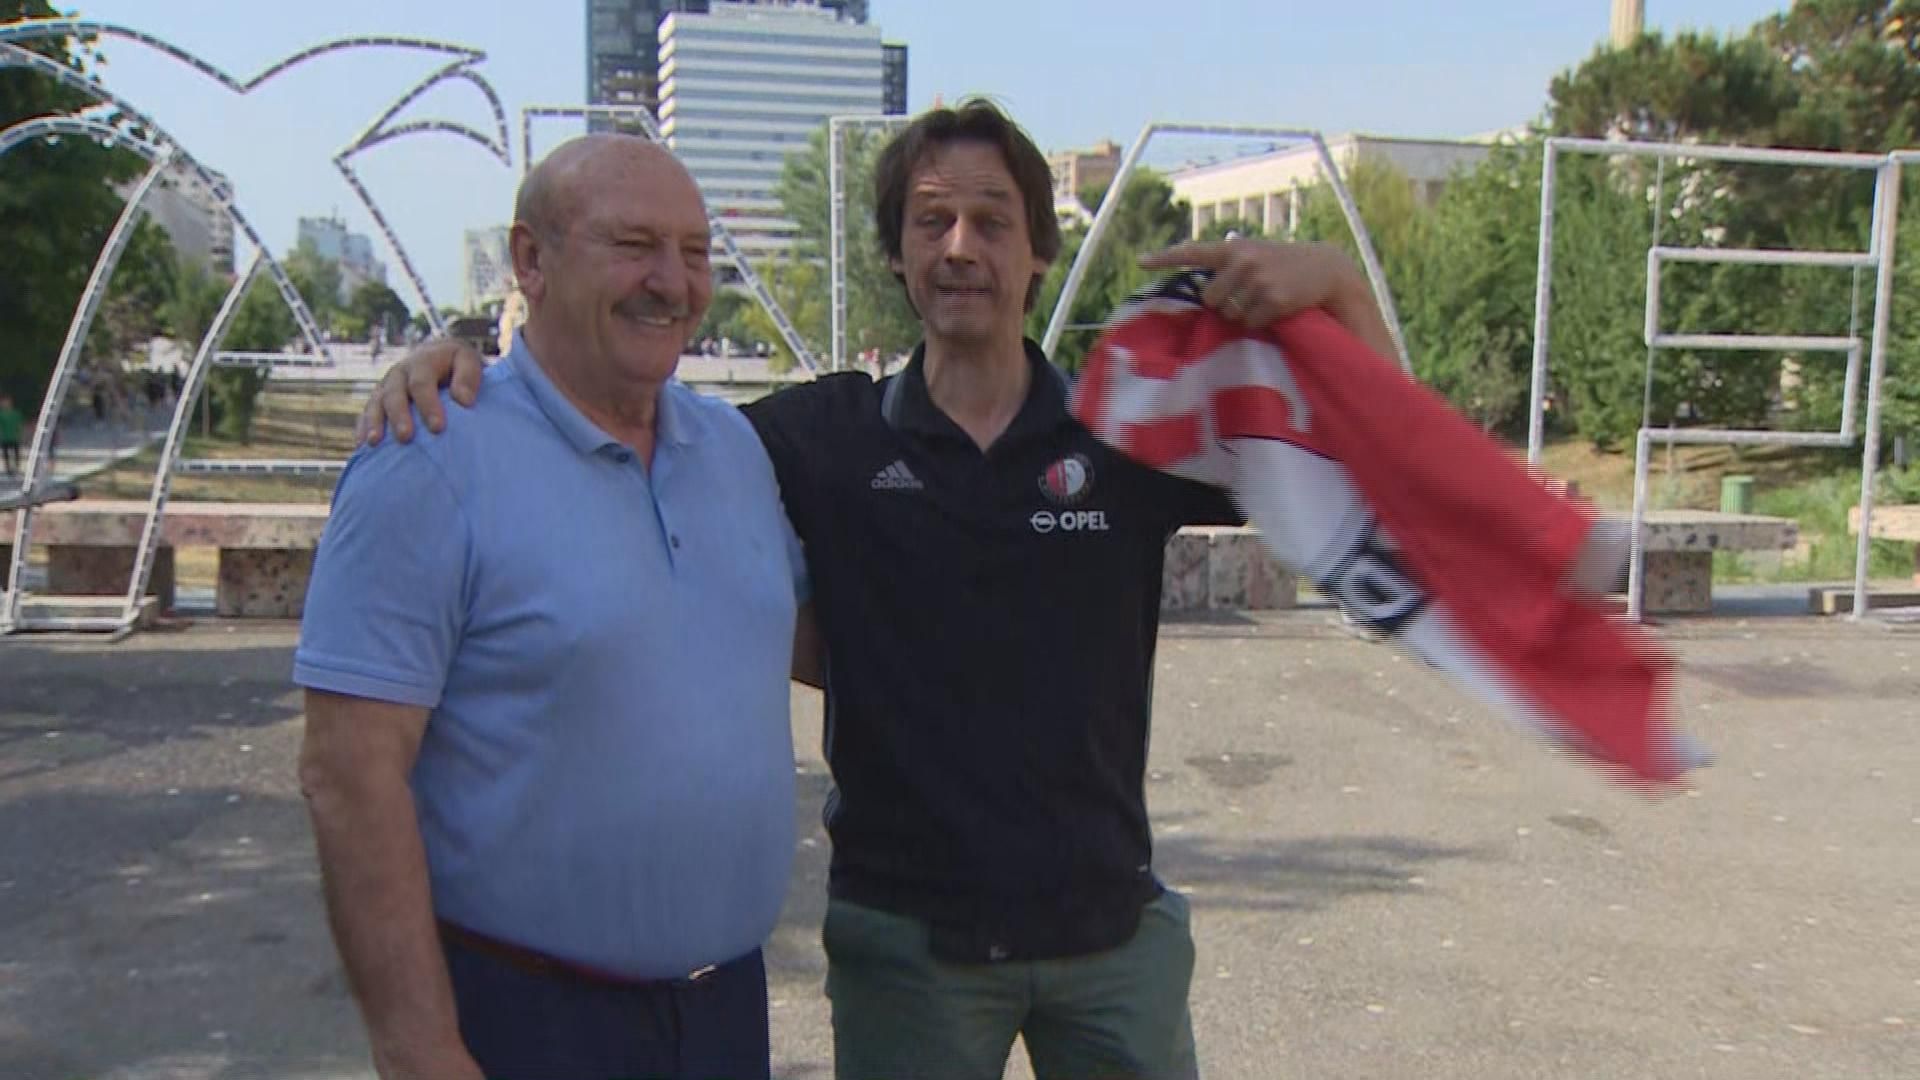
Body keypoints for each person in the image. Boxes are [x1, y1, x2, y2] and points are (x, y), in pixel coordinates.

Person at [362, 100, 1395, 1079]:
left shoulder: (1126, 427)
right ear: (895, 253)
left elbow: (1380, 470)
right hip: (908, 949)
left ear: (1038, 250)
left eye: (993, 221)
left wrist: (1341, 288)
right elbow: (615, 400)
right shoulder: (811, 439)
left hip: (1111, 937)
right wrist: (466, 366)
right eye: (930, 220)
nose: (960, 247)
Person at [295, 134, 809, 1080]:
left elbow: (807, 635)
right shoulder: (430, 458)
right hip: (524, 1022)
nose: (673, 282)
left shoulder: (734, 450)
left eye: (695, 253)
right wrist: (418, 1049)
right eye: (634, 245)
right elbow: (348, 773)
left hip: (726, 1013)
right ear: (530, 259)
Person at [0, 393, 23, 475]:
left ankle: (16, 468)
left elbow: (19, 424)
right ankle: (8, 469)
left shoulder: (16, 413)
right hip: (5, 437)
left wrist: (20, 434)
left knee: (16, 453)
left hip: (14, 437)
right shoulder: (1, 414)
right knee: (6, 454)